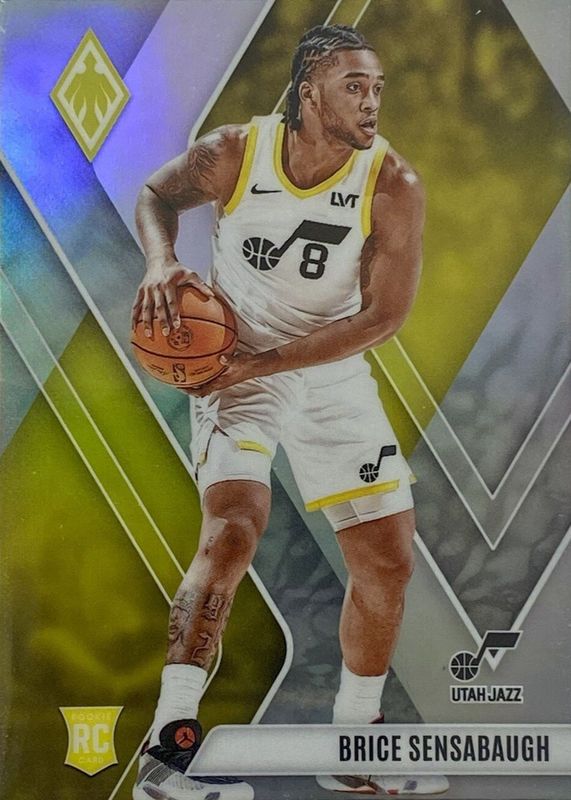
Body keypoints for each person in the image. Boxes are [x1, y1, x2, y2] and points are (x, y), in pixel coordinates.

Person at [131, 24, 448, 800]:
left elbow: (382, 318)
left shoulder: (392, 182)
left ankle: (353, 746)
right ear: (309, 92)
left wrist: (268, 361)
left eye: (376, 88)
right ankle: (166, 754)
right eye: (353, 86)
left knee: (387, 560)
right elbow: (156, 195)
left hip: (328, 371)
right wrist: (162, 261)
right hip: (236, 369)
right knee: (233, 528)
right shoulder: (237, 152)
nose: (371, 101)